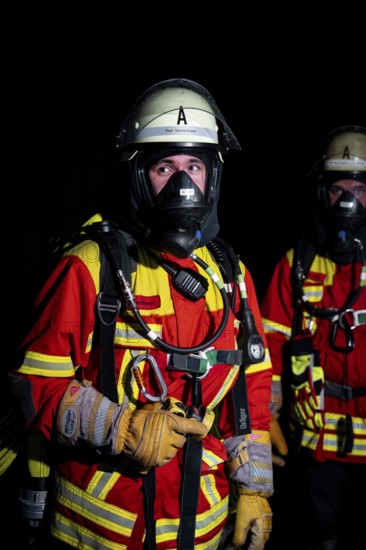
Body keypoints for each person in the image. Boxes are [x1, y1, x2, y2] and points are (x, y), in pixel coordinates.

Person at [6, 78, 274, 550]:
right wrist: (120, 428)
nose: (183, 184)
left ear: (214, 175)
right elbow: (34, 386)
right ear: (136, 175)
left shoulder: (231, 276)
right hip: (102, 532)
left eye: (195, 165)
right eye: (164, 167)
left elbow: (249, 394)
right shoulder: (92, 267)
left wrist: (253, 488)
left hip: (203, 528)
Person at [261, 125, 366, 550]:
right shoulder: (296, 266)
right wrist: (263, 418)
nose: (346, 200)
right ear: (320, 192)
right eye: (337, 188)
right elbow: (265, 350)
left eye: (358, 189)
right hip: (315, 451)